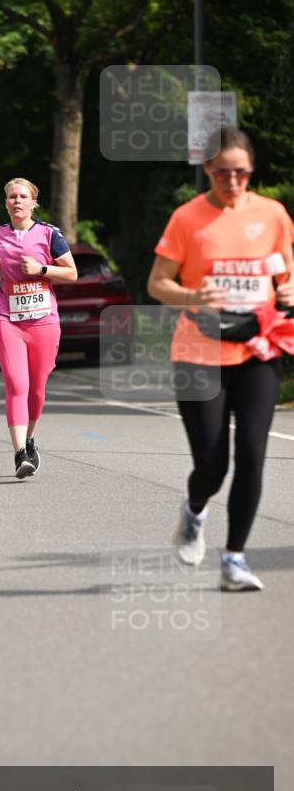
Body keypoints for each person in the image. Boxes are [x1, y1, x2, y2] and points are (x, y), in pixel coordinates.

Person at [147, 127, 294, 591]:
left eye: (242, 173)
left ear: (252, 170)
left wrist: (289, 292)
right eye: (223, 173)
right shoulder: (187, 218)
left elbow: (285, 275)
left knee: (252, 454)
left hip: (257, 350)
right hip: (199, 353)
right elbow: (157, 283)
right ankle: (194, 512)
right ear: (208, 169)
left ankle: (234, 559)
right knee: (212, 467)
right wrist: (193, 295)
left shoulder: (272, 215)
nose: (233, 181)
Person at [0, 177, 77, 478]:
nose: (17, 201)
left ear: (33, 203)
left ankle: (30, 439)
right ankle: (20, 452)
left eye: (23, 197)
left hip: (43, 320)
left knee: (36, 389)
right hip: (6, 317)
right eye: (12, 197)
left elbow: (72, 273)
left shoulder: (49, 234)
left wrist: (41, 269)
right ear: (6, 203)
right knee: (16, 383)